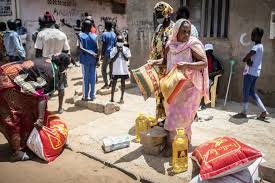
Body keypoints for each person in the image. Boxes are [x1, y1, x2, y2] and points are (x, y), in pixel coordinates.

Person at [150, 19, 209, 155]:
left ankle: (180, 146)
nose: (186, 35)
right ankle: (176, 145)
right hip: (173, 88)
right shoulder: (170, 45)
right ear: (176, 31)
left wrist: (187, 65)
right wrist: (154, 62)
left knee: (184, 118)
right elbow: (164, 61)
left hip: (189, 89)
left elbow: (204, 62)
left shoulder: (192, 45)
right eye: (183, 32)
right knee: (172, 115)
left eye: (188, 32)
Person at [0, 53, 71, 161]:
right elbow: (42, 97)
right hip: (7, 81)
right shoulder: (50, 73)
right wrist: (41, 119)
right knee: (13, 115)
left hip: (13, 78)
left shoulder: (50, 63)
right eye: (66, 67)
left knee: (31, 109)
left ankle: (25, 141)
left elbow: (38, 93)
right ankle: (16, 152)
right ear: (63, 66)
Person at [35, 11, 70, 114]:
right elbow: (67, 52)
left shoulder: (41, 34)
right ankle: (59, 108)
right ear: (54, 22)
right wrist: (64, 65)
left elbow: (38, 53)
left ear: (45, 23)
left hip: (46, 65)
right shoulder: (62, 34)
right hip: (60, 65)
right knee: (61, 86)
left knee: (44, 88)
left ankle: (44, 111)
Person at [233, 27, 268, 120]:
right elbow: (252, 58)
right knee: (252, 92)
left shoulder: (256, 47)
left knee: (245, 91)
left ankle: (244, 112)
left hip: (250, 72)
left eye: (253, 34)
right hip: (255, 72)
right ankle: (264, 111)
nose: (252, 36)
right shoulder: (261, 46)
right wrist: (248, 60)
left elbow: (250, 54)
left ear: (258, 36)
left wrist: (245, 59)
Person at [149, 1, 174, 122]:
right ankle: (162, 119)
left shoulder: (174, 29)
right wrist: (151, 62)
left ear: (167, 14)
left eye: (160, 15)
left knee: (169, 94)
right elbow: (154, 47)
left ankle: (171, 120)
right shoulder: (158, 28)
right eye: (157, 15)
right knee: (159, 94)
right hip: (158, 67)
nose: (158, 18)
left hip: (170, 68)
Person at [79, 19, 98, 101]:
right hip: (93, 60)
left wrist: (90, 53)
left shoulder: (81, 35)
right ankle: (92, 95)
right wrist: (97, 58)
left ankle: (85, 96)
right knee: (93, 77)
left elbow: (80, 47)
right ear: (90, 27)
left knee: (85, 78)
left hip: (85, 60)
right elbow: (98, 49)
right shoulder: (95, 36)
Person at [200, 43, 223, 110]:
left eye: (210, 51)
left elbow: (221, 70)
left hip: (210, 78)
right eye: (207, 51)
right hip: (202, 77)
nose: (208, 53)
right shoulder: (202, 59)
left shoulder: (215, 60)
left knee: (206, 84)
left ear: (212, 51)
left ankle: (203, 103)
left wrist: (212, 74)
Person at [110, 35, 131, 103]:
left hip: (123, 70)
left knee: (123, 84)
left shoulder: (126, 49)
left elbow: (127, 59)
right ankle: (112, 98)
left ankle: (122, 97)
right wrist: (117, 52)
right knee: (113, 84)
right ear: (116, 42)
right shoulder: (113, 49)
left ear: (123, 42)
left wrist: (121, 52)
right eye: (118, 41)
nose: (120, 43)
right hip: (115, 70)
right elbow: (112, 60)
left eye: (121, 41)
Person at [101, 20, 116, 89]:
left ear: (106, 26)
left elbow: (104, 45)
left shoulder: (104, 34)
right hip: (113, 53)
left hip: (107, 53)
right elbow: (115, 45)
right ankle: (111, 83)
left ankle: (106, 83)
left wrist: (102, 54)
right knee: (111, 70)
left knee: (103, 69)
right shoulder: (114, 34)